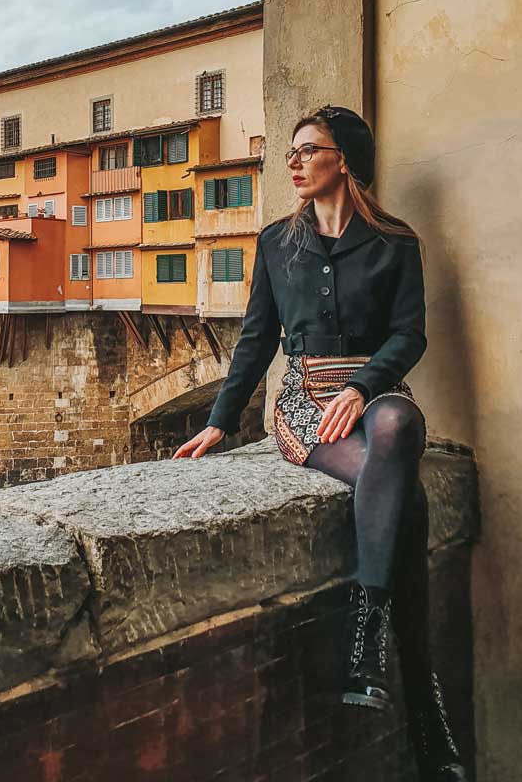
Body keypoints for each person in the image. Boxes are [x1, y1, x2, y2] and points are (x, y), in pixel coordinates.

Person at [173, 106, 466, 782]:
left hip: (373, 393)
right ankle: (422, 704)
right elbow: (256, 338)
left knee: (397, 427)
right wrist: (221, 419)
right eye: (293, 152)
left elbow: (409, 335)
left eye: (309, 150)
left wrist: (363, 388)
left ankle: (365, 633)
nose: (294, 162)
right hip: (306, 400)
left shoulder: (396, 242)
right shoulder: (278, 241)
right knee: (405, 503)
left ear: (345, 160)